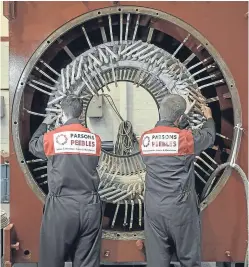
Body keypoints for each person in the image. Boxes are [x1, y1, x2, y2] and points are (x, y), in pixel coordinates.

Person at [139, 94, 216, 267]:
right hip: (180, 209)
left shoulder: (145, 139)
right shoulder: (186, 140)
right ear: (179, 117)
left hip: (154, 210)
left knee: (157, 262)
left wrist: (180, 122)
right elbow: (209, 137)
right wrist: (209, 117)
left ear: (160, 112)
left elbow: (166, 139)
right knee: (188, 259)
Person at [29, 95, 102, 267]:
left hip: (62, 207)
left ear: (62, 112)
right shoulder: (95, 140)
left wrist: (46, 123)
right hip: (90, 206)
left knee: (52, 261)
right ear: (81, 112)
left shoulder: (52, 138)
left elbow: (33, 146)